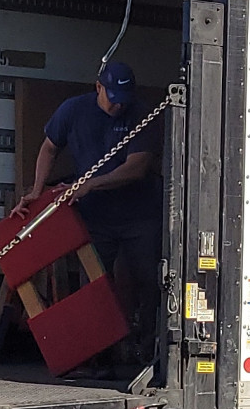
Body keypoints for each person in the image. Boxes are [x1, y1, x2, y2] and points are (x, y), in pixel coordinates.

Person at [24, 61, 162, 367]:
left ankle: (149, 351)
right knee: (95, 284)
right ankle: (99, 355)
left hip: (139, 216)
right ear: (97, 87)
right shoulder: (73, 111)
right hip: (96, 218)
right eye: (111, 96)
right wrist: (37, 190)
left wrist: (90, 184)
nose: (117, 105)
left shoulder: (140, 113)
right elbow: (49, 148)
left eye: (123, 98)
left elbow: (136, 167)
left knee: (147, 281)